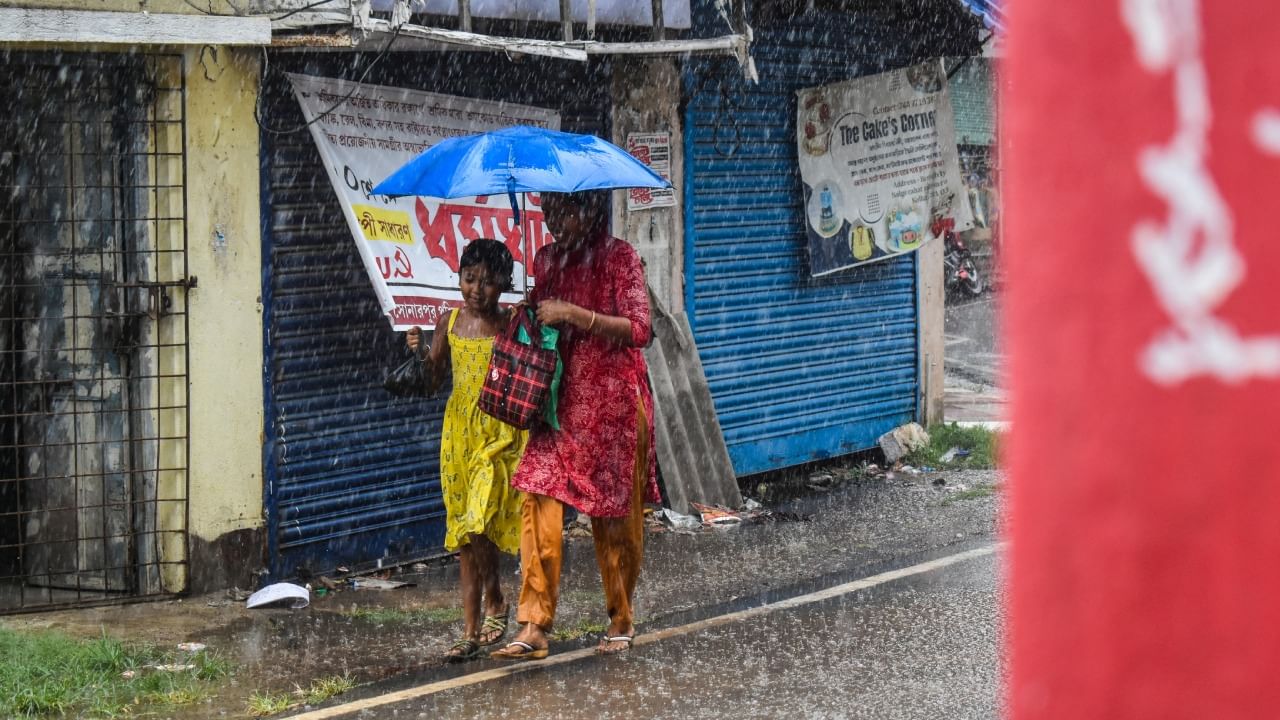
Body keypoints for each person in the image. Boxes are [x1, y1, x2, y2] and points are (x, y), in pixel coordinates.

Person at [490, 190, 659, 660]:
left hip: (612, 408)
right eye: (546, 215)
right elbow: (545, 324)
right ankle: (533, 623)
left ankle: (621, 615)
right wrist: (530, 310)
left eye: (561, 214)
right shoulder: (546, 260)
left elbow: (640, 330)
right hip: (558, 404)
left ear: (587, 211)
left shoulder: (619, 258)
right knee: (537, 498)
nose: (552, 225)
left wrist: (574, 314)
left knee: (613, 519)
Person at [406, 239, 527, 663]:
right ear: (458, 278)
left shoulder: (513, 321)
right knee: (465, 535)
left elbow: (532, 364)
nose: (477, 289)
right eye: (470, 278)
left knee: (478, 519)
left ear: (505, 285)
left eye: (490, 282)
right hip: (458, 434)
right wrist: (420, 353)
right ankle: (470, 630)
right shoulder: (449, 322)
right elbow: (433, 380)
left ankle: (495, 597)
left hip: (499, 433)